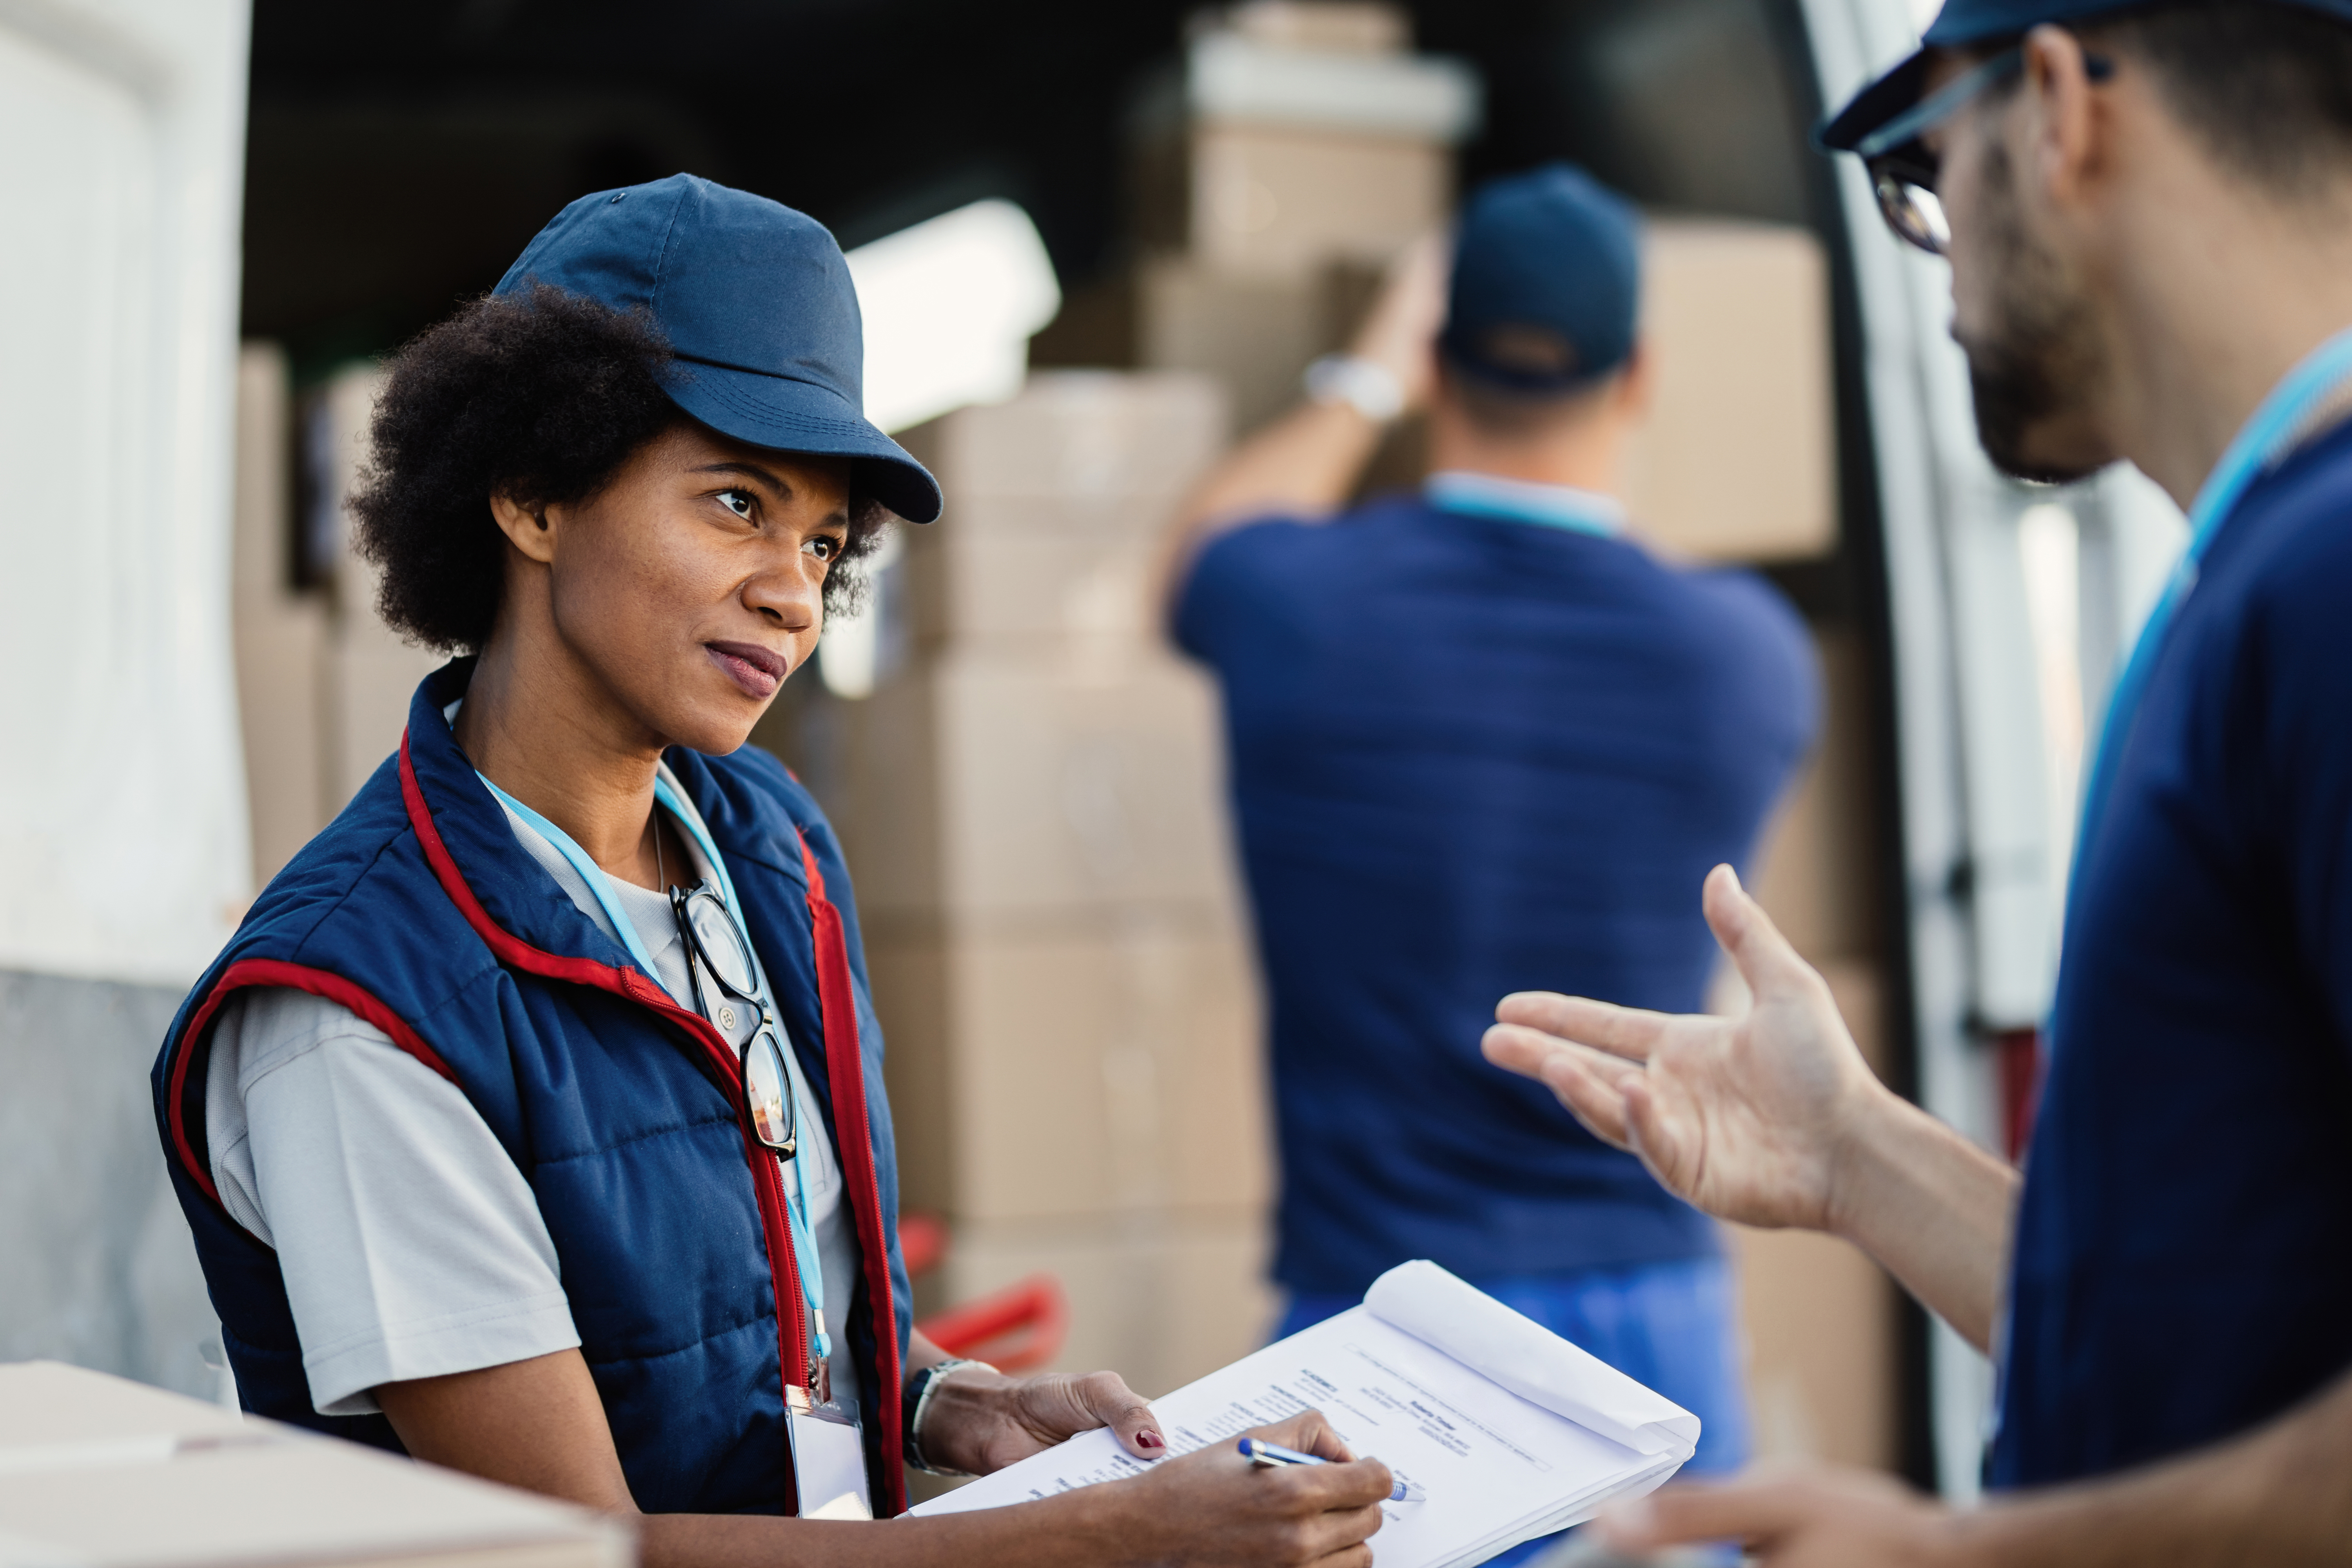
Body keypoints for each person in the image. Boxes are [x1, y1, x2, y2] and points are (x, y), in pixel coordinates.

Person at [151, 175, 1391, 1567]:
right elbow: (579, 1554)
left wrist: (947, 1400)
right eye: (736, 503)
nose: (795, 591)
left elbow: (756, 1315)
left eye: (819, 540)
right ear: (531, 492)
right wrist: (1120, 1541)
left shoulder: (765, 840)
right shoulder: (355, 1015)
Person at [1482, 2, 2352, 1562]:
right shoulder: (2270, 569)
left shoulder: (2331, 582)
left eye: (1924, 169)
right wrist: (1853, 1154)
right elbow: (2208, 1346)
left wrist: (1967, 1555)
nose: (1937, 258)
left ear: (2059, 105)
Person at [1159, 161, 1821, 1552]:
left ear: (1437, 357)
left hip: (1375, 1330)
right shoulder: (1746, 659)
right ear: (1636, 374)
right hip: (1653, 1333)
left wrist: (1361, 379)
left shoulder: (1292, 603)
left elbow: (1195, 551)